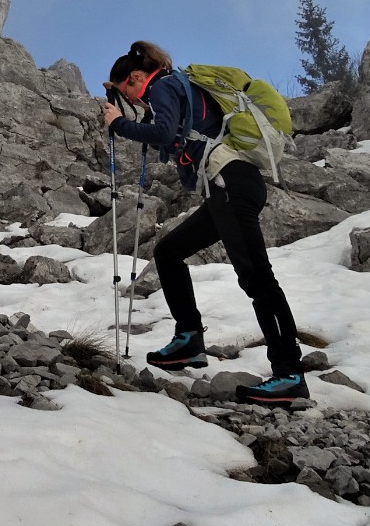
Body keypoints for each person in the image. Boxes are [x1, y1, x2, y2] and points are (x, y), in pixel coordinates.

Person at [101, 41, 308, 405]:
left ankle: (289, 374)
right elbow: (173, 131)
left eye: (127, 92)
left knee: (257, 277)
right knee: (169, 252)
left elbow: (164, 134)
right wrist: (132, 118)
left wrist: (118, 124)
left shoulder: (163, 85)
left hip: (229, 183)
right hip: (226, 187)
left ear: (136, 77)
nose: (133, 100)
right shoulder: (179, 86)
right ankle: (189, 340)